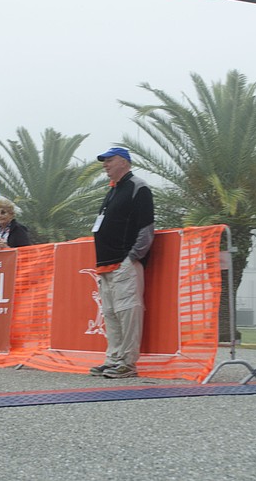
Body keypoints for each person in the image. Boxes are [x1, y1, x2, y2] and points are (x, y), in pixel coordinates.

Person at [89, 147, 154, 379]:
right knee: (111, 314)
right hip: (105, 264)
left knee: (128, 313)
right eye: (104, 160)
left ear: (124, 162)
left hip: (124, 262)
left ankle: (127, 362)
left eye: (110, 160)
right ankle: (113, 359)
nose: (105, 164)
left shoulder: (138, 187)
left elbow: (146, 227)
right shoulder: (113, 190)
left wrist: (132, 257)